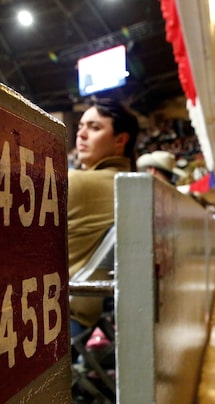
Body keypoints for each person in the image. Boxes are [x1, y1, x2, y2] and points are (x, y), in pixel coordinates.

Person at [68, 98, 140, 338]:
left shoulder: (76, 182)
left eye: (94, 127)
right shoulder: (130, 185)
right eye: (80, 126)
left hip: (62, 314)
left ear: (121, 140)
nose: (82, 135)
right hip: (91, 315)